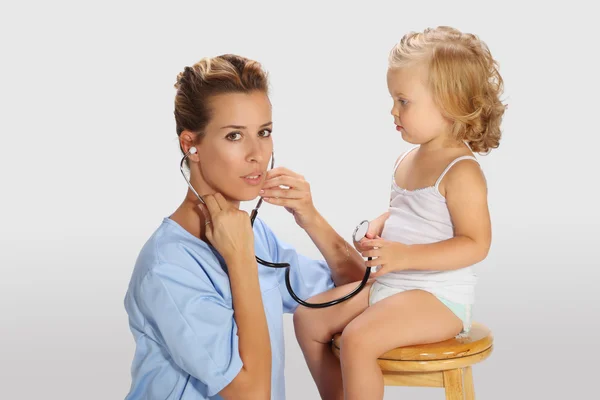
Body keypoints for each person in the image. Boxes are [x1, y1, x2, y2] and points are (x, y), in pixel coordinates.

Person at [123, 54, 366, 400]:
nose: (257, 154)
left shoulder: (253, 235)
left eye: (264, 132)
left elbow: (359, 294)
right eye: (235, 136)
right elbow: (252, 394)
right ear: (190, 144)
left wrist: (311, 218)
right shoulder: (166, 268)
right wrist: (239, 261)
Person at [293, 26, 507, 399]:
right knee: (308, 318)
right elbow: (412, 215)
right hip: (393, 287)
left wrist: (406, 255)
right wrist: (379, 225)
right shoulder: (408, 158)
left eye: (403, 101)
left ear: (448, 102)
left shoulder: (462, 171)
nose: (393, 109)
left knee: (359, 339)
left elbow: (475, 243)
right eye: (393, 99)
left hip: (438, 299)